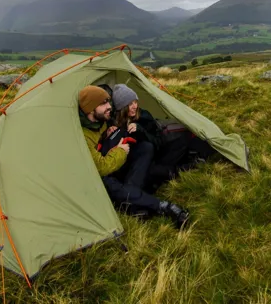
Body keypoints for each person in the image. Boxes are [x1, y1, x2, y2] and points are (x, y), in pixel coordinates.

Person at [78, 85, 190, 229]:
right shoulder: (83, 135)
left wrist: (110, 133)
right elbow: (101, 168)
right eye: (103, 103)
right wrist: (120, 150)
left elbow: (155, 142)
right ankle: (164, 207)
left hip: (120, 165)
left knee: (145, 148)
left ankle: (132, 201)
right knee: (110, 182)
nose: (109, 107)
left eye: (108, 102)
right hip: (105, 173)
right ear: (91, 109)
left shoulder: (103, 121)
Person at [109, 84, 212, 188]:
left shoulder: (144, 116)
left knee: (154, 170)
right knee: (148, 172)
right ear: (121, 107)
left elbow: (159, 143)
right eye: (130, 104)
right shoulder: (113, 121)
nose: (135, 106)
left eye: (135, 102)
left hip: (156, 155)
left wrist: (141, 131)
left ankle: (189, 166)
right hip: (135, 162)